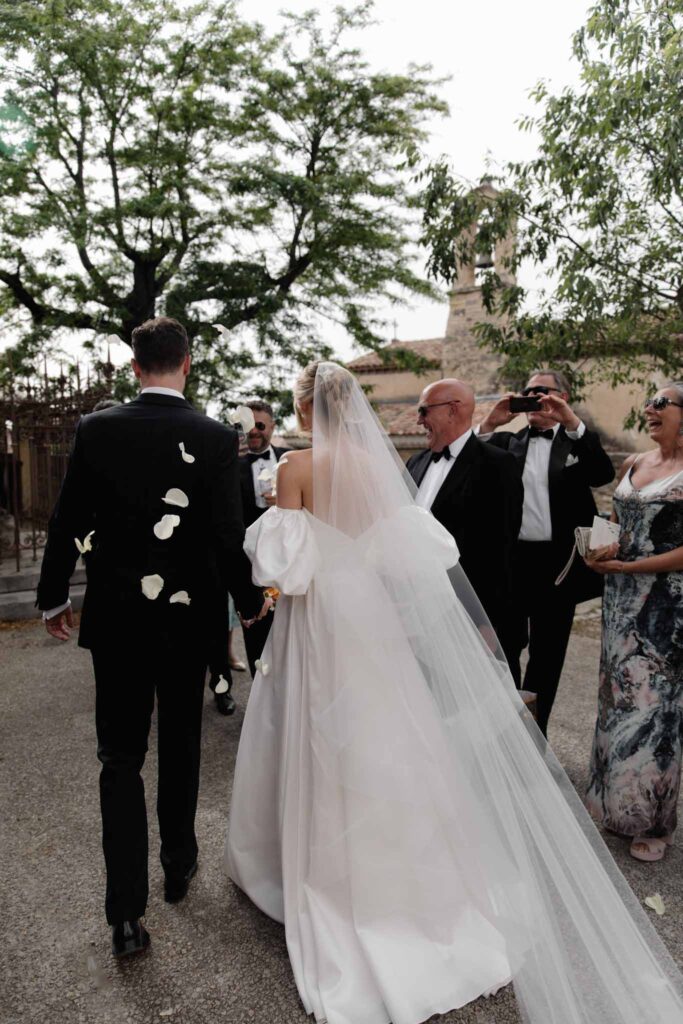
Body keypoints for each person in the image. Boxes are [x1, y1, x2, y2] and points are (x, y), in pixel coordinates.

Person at [225, 361, 683, 1024]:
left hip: (322, 615)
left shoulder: (297, 469)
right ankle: (407, 872)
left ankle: (312, 866)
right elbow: (405, 558)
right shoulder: (383, 474)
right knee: (384, 731)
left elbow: (282, 569)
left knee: (314, 727)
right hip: (370, 617)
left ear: (304, 409)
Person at [37, 317, 267, 958]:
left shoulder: (97, 428)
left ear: (134, 366)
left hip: (116, 621)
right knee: (180, 744)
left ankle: (125, 917)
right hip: (189, 621)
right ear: (187, 363)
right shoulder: (216, 438)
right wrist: (250, 605)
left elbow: (68, 519)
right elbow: (226, 535)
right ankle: (177, 862)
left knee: (119, 758)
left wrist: (55, 594)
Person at [477, 369, 615, 735]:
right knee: (504, 653)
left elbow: (602, 474)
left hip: (559, 568)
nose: (534, 396)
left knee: (547, 659)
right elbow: (470, 466)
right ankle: (507, 739)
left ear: (561, 398)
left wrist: (570, 421)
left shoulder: (576, 443)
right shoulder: (507, 444)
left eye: (543, 391)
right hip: (511, 565)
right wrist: (491, 421)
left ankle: (534, 740)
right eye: (528, 391)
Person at [584, 382, 683, 863]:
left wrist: (630, 567)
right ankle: (611, 803)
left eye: (662, 402)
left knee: (655, 713)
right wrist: (601, 549)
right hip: (619, 600)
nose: (650, 408)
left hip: (665, 609)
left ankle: (652, 820)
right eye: (649, 401)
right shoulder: (634, 463)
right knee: (615, 700)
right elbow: (615, 520)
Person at [406, 378, 523, 665]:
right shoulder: (415, 463)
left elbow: (501, 550)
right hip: (418, 615)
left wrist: (485, 622)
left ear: (452, 410)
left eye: (424, 411)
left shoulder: (497, 464)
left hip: (468, 615)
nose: (419, 420)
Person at [237, 399, 289, 676]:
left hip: (288, 562)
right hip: (251, 566)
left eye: (260, 425)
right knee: (256, 634)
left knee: (292, 633)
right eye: (249, 426)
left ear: (272, 426)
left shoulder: (293, 459)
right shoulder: (232, 466)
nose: (254, 431)